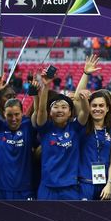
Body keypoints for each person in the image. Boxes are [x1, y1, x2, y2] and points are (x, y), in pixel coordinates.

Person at [33, 64, 90, 200]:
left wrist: (84, 100)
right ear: (50, 113)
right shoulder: (45, 129)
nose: (59, 110)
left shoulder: (75, 128)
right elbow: (41, 111)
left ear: (70, 112)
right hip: (47, 188)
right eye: (56, 107)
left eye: (64, 107)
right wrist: (46, 86)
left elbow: (85, 113)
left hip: (70, 188)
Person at [0, 75, 37, 199]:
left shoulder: (28, 125)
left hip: (25, 188)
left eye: (17, 114)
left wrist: (38, 91)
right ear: (4, 115)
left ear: (22, 113)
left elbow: (39, 112)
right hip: (1, 187)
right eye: (10, 115)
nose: (14, 118)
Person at [79, 89, 111, 200]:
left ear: (107, 108)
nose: (97, 109)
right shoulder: (81, 129)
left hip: (104, 186)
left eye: (101, 105)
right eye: (94, 105)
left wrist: (109, 185)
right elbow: (80, 106)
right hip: (84, 184)